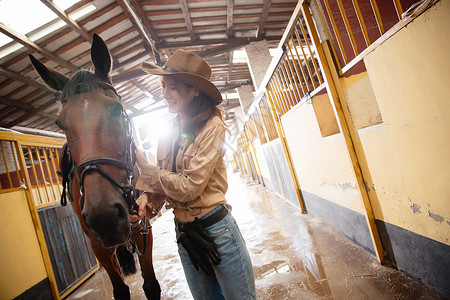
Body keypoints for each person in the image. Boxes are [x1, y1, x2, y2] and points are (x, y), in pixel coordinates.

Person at [130, 49, 256, 300]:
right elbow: (164, 180)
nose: (165, 94)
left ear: (194, 90)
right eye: (163, 86)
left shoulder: (214, 128)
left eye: (173, 87)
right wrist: (149, 199)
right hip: (184, 233)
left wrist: (148, 170)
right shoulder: (168, 128)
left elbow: (189, 187)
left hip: (217, 229)